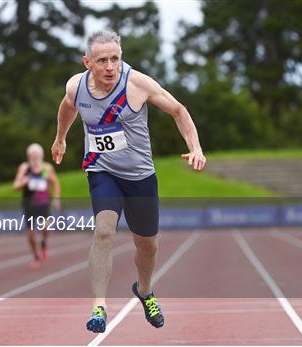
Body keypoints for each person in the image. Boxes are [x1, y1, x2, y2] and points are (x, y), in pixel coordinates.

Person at [51, 30, 206, 333]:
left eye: (115, 59)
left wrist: (195, 148)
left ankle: (145, 291)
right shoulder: (76, 86)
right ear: (88, 62)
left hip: (139, 177)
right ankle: (99, 306)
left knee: (147, 244)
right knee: (104, 231)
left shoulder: (137, 84)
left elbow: (179, 110)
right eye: (102, 60)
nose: (110, 67)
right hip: (101, 171)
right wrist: (60, 139)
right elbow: (68, 106)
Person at [13, 143, 61, 269]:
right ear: (29, 156)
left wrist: (56, 199)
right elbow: (16, 186)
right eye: (32, 155)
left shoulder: (46, 168)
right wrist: (23, 182)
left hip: (43, 202)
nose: (34, 157)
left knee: (46, 227)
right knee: (31, 234)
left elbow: (55, 183)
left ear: (41, 155)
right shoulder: (24, 168)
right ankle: (35, 256)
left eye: (37, 155)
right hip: (29, 204)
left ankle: (44, 243)